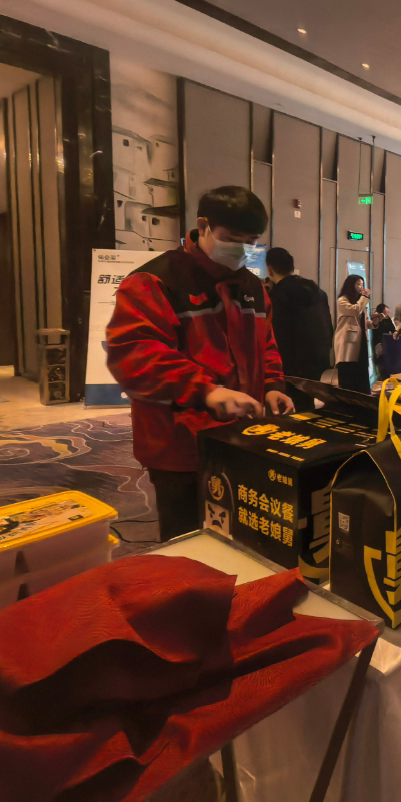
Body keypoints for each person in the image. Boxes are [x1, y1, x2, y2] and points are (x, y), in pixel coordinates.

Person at [106, 185, 293, 541]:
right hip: (179, 446)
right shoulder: (155, 281)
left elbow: (266, 344)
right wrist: (206, 391)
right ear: (203, 226)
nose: (241, 249)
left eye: (250, 242)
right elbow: (135, 355)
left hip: (240, 436)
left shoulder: (252, 286)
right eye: (232, 238)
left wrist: (272, 385)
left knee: (240, 534)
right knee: (187, 540)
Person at [265, 248, 333, 411]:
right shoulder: (318, 293)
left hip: (288, 364)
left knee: (285, 407)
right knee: (306, 404)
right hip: (316, 361)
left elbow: (276, 332)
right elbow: (327, 325)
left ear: (270, 269)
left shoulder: (276, 296)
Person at [333, 273, 371, 368]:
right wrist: (364, 297)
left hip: (361, 339)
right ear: (350, 285)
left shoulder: (360, 301)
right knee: (348, 367)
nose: (361, 287)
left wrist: (374, 321)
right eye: (359, 284)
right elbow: (354, 310)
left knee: (360, 368)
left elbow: (363, 321)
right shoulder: (342, 300)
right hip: (348, 340)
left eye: (362, 285)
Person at [371, 302, 397, 378]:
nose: (387, 315)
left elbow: (393, 329)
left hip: (387, 342)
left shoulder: (388, 319)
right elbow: (376, 331)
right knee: (381, 358)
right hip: (378, 342)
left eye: (388, 312)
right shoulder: (376, 319)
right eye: (386, 313)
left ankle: (387, 373)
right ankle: (381, 374)